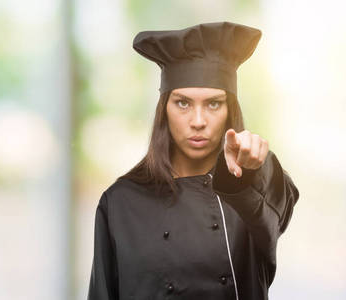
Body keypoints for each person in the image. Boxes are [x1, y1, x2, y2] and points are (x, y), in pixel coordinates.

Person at [87, 21, 299, 300]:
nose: (198, 121)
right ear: (165, 109)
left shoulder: (248, 191)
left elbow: (274, 207)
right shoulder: (120, 203)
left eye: (213, 103)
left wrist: (253, 170)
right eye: (183, 103)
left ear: (229, 110)